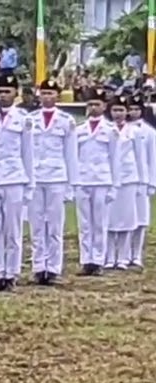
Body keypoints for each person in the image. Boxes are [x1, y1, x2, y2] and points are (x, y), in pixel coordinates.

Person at [0, 72, 34, 292]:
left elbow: (28, 153)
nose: (3, 95)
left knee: (12, 229)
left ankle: (12, 273)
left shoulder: (23, 119)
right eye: (0, 91)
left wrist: (30, 185)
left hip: (15, 177)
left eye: (7, 91)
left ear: (16, 92)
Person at [28, 79, 79, 286]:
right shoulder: (30, 119)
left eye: (51, 93)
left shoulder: (67, 121)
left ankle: (54, 267)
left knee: (55, 224)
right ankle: (39, 266)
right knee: (37, 223)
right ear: (38, 95)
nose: (47, 97)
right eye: (44, 93)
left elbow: (71, 154)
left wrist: (71, 185)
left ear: (57, 96)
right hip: (36, 176)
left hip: (57, 176)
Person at [74, 88, 120, 276]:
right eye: (90, 104)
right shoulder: (79, 130)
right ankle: (86, 260)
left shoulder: (111, 130)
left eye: (97, 104)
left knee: (100, 222)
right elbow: (74, 157)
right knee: (84, 223)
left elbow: (115, 159)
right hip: (83, 180)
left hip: (102, 180)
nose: (93, 108)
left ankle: (98, 260)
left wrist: (114, 186)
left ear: (104, 106)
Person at [106, 94, 148, 270]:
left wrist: (143, 182)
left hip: (129, 178)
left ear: (126, 112)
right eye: (115, 110)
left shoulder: (135, 132)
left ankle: (123, 257)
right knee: (108, 220)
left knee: (127, 219)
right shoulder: (106, 129)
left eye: (121, 110)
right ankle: (109, 257)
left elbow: (140, 158)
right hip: (109, 180)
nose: (118, 114)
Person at [123, 93, 156, 268]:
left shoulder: (149, 132)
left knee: (141, 219)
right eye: (131, 109)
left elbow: (152, 158)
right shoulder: (123, 129)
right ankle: (125, 253)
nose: (134, 112)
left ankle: (136, 255)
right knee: (127, 218)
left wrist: (152, 182)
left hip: (142, 180)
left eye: (137, 109)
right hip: (127, 179)